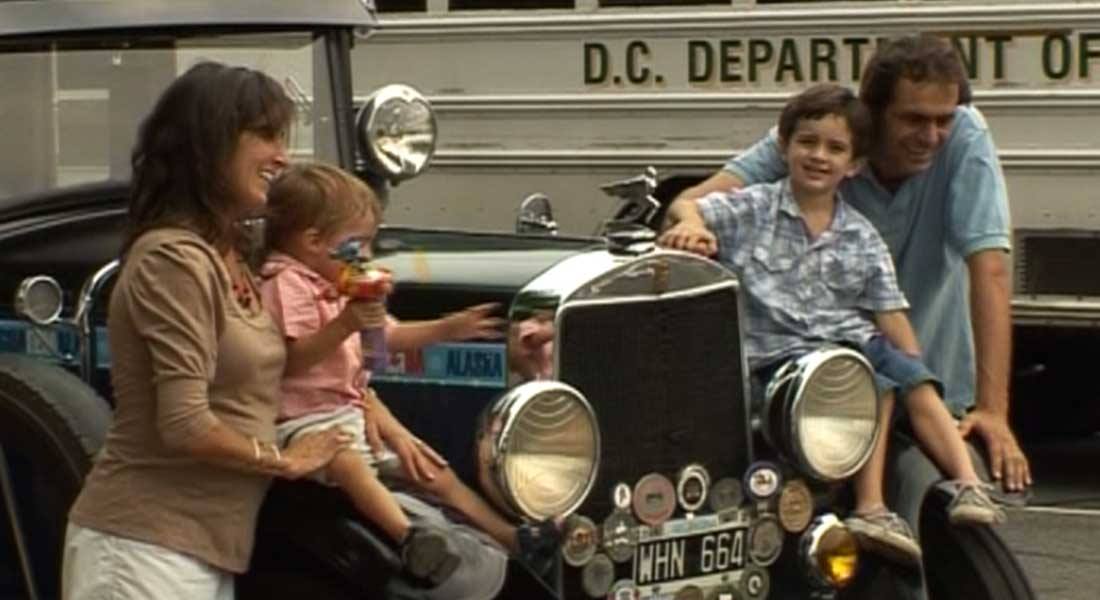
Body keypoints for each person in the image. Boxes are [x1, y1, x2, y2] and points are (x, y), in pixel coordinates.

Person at [661, 34, 1031, 495]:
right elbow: (692, 200)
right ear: (872, 119)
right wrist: (693, 227)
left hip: (926, 371)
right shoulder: (826, 136)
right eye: (914, 119)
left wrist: (994, 411)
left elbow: (990, 268)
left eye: (943, 120)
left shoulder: (965, 133)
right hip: (814, 386)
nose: (932, 136)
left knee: (934, 507)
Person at [62, 62, 352, 600]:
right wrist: (286, 460)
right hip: (141, 551)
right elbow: (186, 423)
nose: (283, 157)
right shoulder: (172, 259)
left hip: (198, 550)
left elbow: (275, 372)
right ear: (211, 143)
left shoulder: (228, 257)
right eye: (265, 136)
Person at [258, 162, 560, 589]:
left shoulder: (340, 286)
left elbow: (390, 337)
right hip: (307, 421)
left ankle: (510, 536)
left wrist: (448, 329)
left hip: (351, 408)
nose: (366, 257)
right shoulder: (287, 283)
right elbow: (291, 361)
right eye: (356, 246)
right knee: (348, 466)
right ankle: (409, 538)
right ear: (313, 241)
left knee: (431, 470)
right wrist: (345, 323)